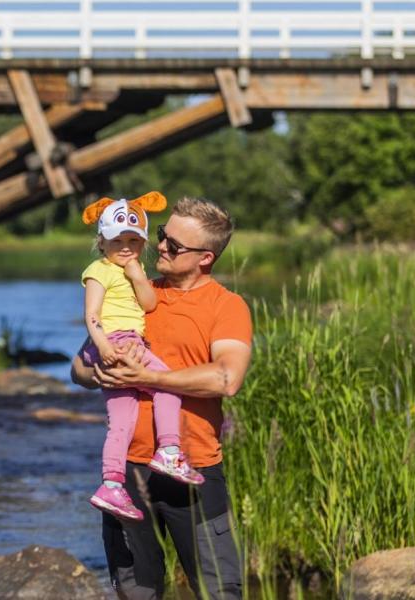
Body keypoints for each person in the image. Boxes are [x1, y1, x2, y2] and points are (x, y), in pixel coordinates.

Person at [71, 196, 253, 600]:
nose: (161, 247)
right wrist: (95, 371)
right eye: (162, 236)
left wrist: (149, 376)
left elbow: (227, 378)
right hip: (129, 474)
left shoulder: (227, 306)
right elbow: (78, 368)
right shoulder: (132, 290)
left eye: (175, 245)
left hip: (194, 472)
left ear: (205, 258)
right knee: (136, 594)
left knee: (220, 592)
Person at [78, 192, 206, 524]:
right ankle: (169, 450)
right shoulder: (99, 270)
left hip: (127, 341)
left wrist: (137, 276)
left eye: (134, 241)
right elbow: (91, 314)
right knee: (168, 386)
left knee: (121, 423)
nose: (125, 247)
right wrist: (104, 346)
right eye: (117, 240)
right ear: (101, 242)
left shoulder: (134, 273)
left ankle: (110, 483)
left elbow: (148, 304)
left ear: (143, 244)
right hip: (115, 341)